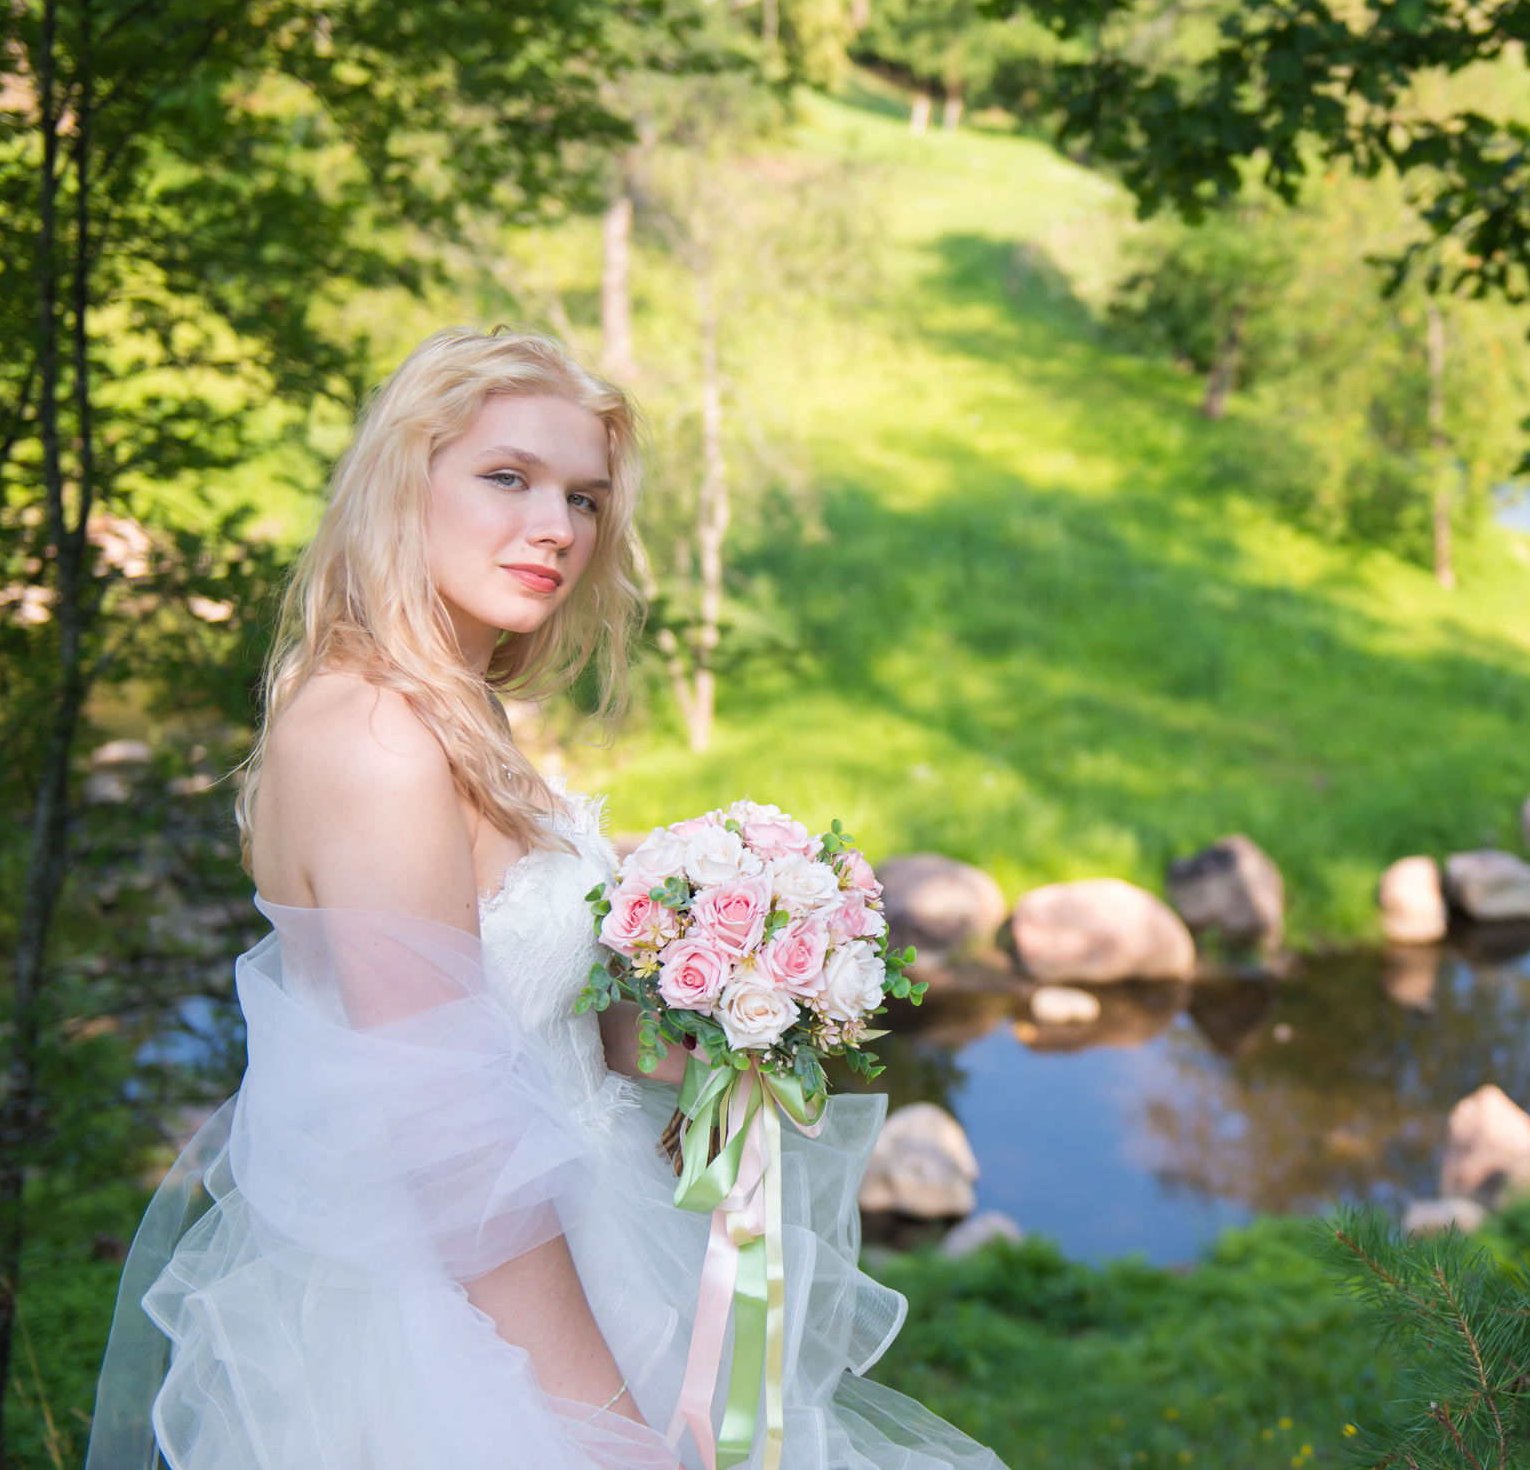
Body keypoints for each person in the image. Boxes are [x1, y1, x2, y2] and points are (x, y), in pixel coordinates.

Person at [87, 328, 1002, 1470]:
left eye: (583, 497)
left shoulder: (455, 710)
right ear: (400, 482)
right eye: (507, 478)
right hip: (464, 1324)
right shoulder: (375, 737)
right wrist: (607, 1429)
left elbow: (528, 1021)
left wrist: (712, 1006)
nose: (557, 527)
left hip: (583, 1239)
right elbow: (441, 1129)